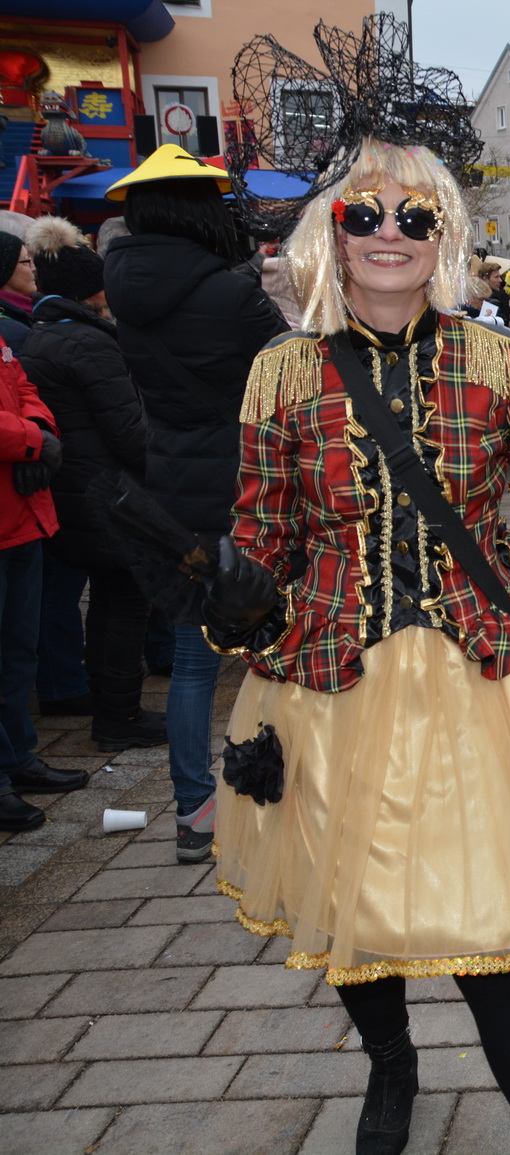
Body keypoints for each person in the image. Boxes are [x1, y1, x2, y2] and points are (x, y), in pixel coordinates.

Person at [213, 129, 510, 1155]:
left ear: (443, 235)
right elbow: (260, 529)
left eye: (415, 216)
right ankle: (392, 1067)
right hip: (325, 679)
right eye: (364, 214)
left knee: (491, 941)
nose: (389, 233)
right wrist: (238, 598)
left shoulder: (498, 360)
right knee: (356, 914)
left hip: (473, 687)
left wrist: (479, 576)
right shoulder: (280, 373)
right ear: (333, 233)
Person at [103, 143, 286, 863]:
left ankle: (194, 809)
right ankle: (275, 786)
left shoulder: (121, 284)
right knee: (271, 644)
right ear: (199, 210)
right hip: (244, 484)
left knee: (192, 657)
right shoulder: (230, 293)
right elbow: (286, 369)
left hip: (171, 485)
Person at [18, 217, 164, 754]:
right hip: (108, 496)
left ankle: (113, 708)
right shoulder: (90, 343)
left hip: (79, 493)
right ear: (93, 288)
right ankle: (118, 716)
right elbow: (129, 433)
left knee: (106, 605)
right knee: (123, 605)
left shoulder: (46, 335)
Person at [0, 323, 79, 833]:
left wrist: (40, 429)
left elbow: (22, 383)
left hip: (19, 515)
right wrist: (33, 441)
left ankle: (18, 757)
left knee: (17, 650)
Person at [0, 232, 32, 348]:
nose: (33, 268)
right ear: (6, 271)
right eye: (26, 262)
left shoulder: (30, 311)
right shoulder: (14, 332)